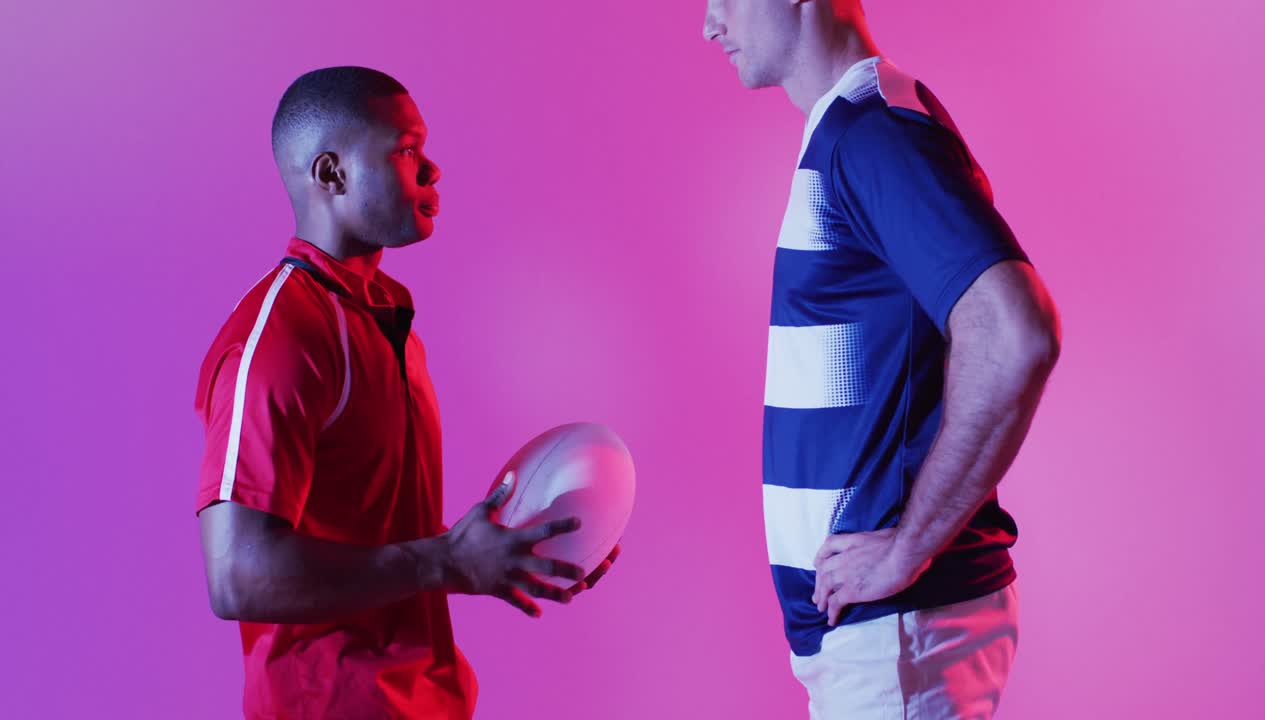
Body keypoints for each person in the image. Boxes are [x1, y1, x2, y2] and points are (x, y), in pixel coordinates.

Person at [193, 66, 617, 719]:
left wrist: (504, 553)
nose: (432, 170)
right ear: (331, 175)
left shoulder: (384, 310)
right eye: (406, 149)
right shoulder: (278, 338)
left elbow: (379, 536)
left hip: (424, 701)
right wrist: (444, 563)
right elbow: (238, 576)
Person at [702, 2, 1061, 717]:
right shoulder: (851, 128)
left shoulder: (872, 135)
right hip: (880, 640)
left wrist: (905, 550)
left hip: (899, 634)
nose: (710, 24)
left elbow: (1017, 333)